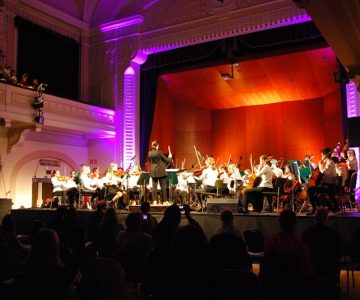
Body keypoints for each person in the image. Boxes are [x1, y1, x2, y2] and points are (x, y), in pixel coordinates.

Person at [302, 208, 342, 300]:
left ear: (315, 218)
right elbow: (338, 252)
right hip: (328, 271)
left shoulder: (307, 233)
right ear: (327, 219)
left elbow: (304, 253)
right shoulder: (333, 235)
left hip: (312, 270)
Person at [306, 147, 339, 215]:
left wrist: (320, 165)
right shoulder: (328, 162)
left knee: (309, 189)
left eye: (322, 155)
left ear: (325, 155)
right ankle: (326, 207)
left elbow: (325, 172)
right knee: (314, 191)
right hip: (327, 185)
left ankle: (315, 208)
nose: (321, 156)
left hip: (329, 186)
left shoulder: (330, 162)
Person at [148, 140, 172, 204]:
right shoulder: (159, 152)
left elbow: (151, 162)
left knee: (154, 187)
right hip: (160, 171)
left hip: (153, 171)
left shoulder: (149, 153)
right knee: (163, 186)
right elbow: (166, 160)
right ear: (157, 146)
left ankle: (155, 201)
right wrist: (170, 157)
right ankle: (165, 201)